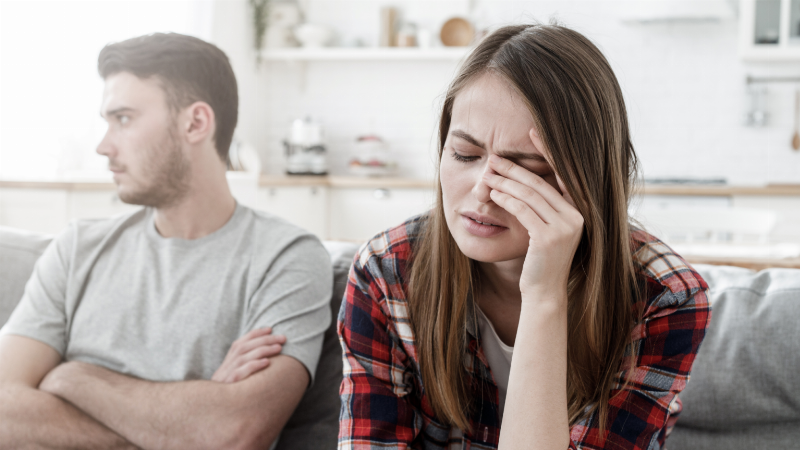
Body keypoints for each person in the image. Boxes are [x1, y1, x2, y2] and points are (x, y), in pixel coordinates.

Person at [337, 23, 711, 450]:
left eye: (525, 172)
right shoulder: (385, 271)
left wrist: (544, 293)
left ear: (588, 179)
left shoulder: (664, 297)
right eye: (464, 154)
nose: (481, 192)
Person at [0, 33, 332, 450]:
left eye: (123, 119)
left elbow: (233, 433)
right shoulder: (76, 249)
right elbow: (3, 412)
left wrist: (73, 377)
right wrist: (182, 427)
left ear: (195, 123)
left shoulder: (286, 258)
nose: (104, 147)